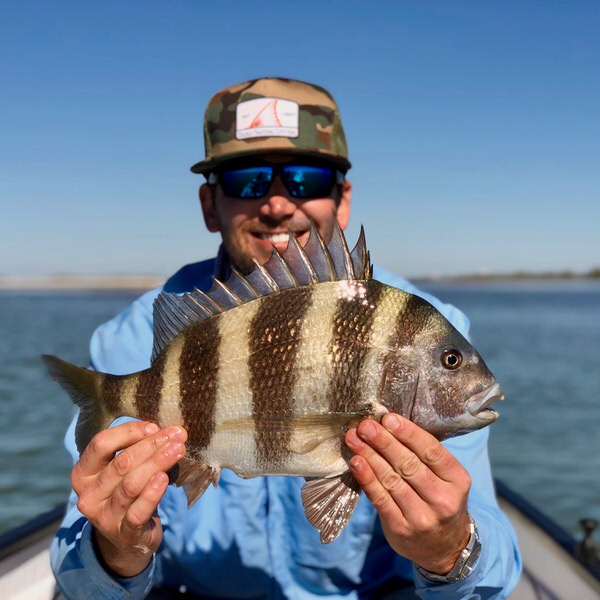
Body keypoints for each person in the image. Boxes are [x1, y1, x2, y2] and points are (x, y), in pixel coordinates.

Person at [50, 77, 521, 599]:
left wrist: (449, 549)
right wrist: (115, 550)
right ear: (211, 204)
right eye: (248, 179)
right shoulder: (134, 337)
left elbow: (493, 556)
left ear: (341, 199)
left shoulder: (424, 326)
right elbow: (74, 567)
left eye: (305, 178)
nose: (277, 203)